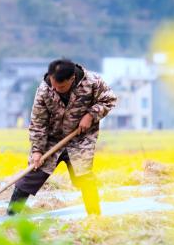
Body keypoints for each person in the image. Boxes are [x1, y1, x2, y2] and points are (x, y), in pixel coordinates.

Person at [8, 58, 117, 216]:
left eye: (61, 87)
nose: (56, 89)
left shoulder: (93, 82)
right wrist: (37, 150)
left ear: (72, 79)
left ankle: (95, 217)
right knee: (32, 175)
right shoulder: (45, 90)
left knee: (84, 178)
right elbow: (38, 122)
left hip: (81, 140)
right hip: (51, 140)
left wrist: (91, 115)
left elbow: (109, 99)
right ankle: (11, 216)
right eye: (53, 84)